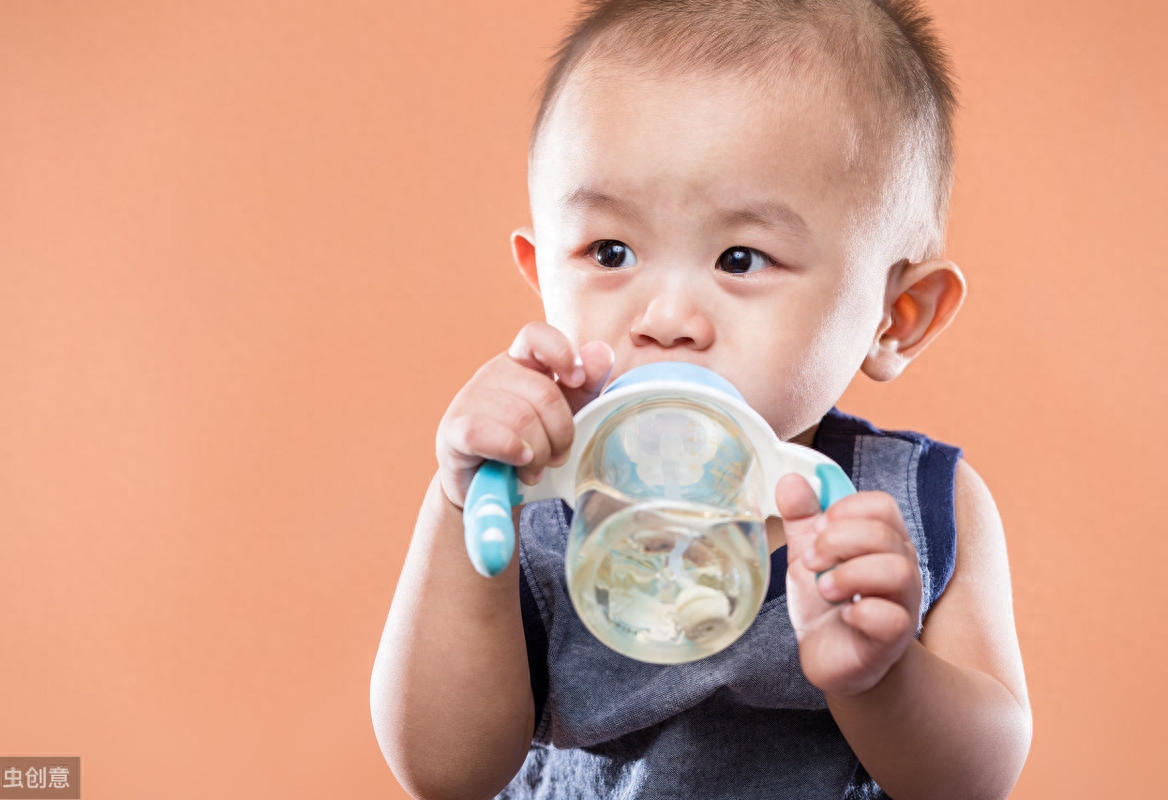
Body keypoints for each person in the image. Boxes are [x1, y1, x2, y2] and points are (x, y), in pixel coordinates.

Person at [371, 0, 1032, 797]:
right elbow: (443, 773)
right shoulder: (523, 500)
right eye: (609, 251)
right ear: (542, 271)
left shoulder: (910, 508)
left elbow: (979, 780)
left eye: (742, 258)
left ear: (896, 318)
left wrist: (881, 678)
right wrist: (457, 515)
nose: (667, 320)